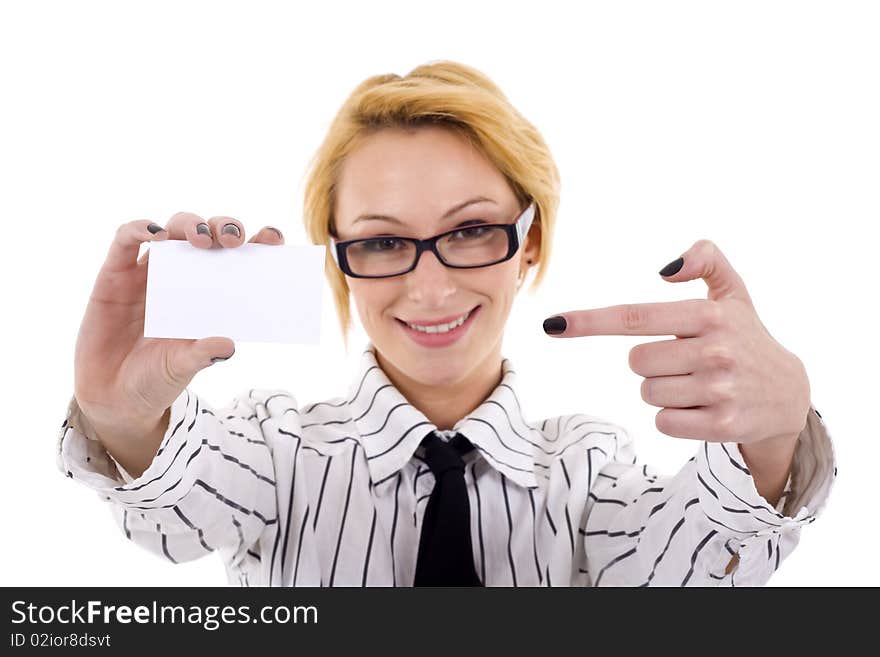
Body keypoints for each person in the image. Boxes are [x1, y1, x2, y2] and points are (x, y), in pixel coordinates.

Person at [57, 60, 835, 587]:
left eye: (468, 230)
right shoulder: (276, 448)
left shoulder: (591, 469)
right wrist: (123, 418)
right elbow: (181, 508)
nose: (429, 287)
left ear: (528, 242)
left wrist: (770, 437)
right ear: (339, 257)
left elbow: (684, 572)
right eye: (384, 241)